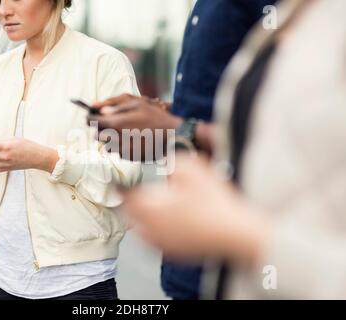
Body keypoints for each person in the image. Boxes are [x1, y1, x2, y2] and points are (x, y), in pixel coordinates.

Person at [123, 0, 346, 299]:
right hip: (220, 267)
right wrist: (165, 117)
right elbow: (271, 125)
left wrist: (177, 128)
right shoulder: (302, 17)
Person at [0, 0, 142, 300]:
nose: (3, 11)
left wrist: (48, 160)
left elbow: (125, 178)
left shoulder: (105, 64)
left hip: (77, 282)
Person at [90, 0, 277, 299]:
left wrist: (176, 128)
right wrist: (162, 116)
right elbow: (226, 108)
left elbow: (298, 134)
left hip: (246, 262)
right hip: (191, 262)